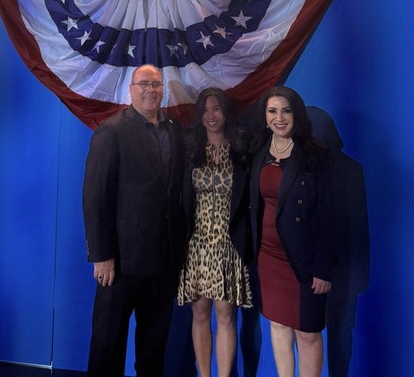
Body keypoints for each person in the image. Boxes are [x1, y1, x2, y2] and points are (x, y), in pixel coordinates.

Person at [82, 64, 186, 377]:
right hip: (121, 263)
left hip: (163, 261)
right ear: (131, 89)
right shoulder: (111, 131)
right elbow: (95, 197)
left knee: (154, 345)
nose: (150, 90)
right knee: (107, 343)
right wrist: (102, 256)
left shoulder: (174, 130)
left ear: (163, 88)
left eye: (156, 84)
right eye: (143, 84)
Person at [248, 86, 337, 377]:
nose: (279, 117)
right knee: (277, 324)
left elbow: (329, 214)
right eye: (272, 111)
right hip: (268, 258)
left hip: (305, 261)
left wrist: (323, 268)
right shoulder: (258, 152)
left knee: (308, 333)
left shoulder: (315, 155)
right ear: (265, 116)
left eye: (286, 110)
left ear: (296, 114)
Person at [177, 87, 253, 377]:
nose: (211, 116)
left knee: (225, 316)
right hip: (195, 245)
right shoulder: (189, 149)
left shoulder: (243, 149)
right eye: (205, 110)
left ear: (226, 112)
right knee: (198, 314)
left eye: (216, 109)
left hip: (228, 245)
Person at [306, 106, 370, 377]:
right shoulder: (349, 168)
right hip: (335, 269)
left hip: (337, 269)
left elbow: (358, 224)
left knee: (330, 333)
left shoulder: (342, 169)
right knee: (332, 334)